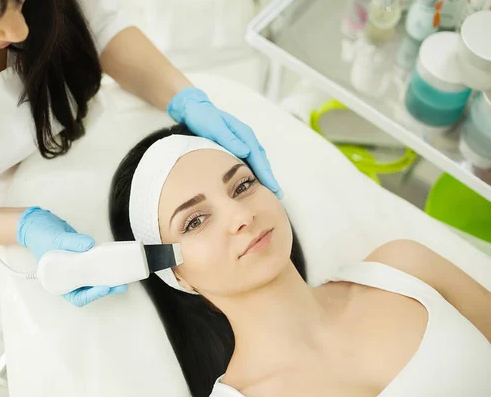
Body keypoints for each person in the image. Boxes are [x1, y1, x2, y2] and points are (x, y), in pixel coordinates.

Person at [0, 0, 282, 327]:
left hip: (89, 162)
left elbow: (101, 24)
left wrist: (184, 98)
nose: (18, 31)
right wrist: (20, 227)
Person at [109, 124, 491, 397]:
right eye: (195, 221)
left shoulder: (406, 268)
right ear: (174, 273)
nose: (240, 216)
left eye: (242, 185)